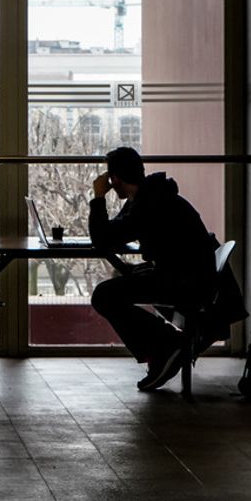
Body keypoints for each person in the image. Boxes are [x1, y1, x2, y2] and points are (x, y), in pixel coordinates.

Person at [88, 146, 219, 391]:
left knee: (104, 295)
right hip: (187, 275)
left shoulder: (148, 203)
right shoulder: (149, 196)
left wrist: (98, 198)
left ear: (114, 178)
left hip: (184, 281)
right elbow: (114, 233)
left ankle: (167, 346)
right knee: (120, 282)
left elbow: (104, 240)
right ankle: (161, 350)